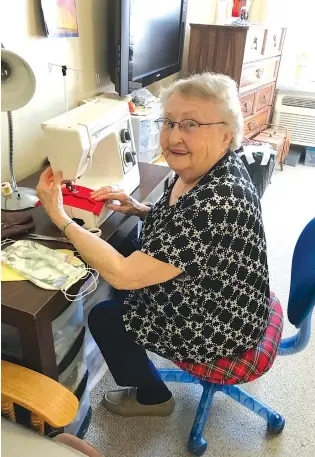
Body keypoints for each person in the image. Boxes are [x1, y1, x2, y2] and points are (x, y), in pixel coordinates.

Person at [36, 72, 270, 418]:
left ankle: (153, 396)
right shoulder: (204, 167)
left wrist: (61, 218)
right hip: (229, 293)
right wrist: (138, 208)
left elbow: (123, 275)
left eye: (191, 124)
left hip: (222, 324)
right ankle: (137, 339)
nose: (174, 136)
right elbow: (184, 227)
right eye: (169, 122)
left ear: (226, 134)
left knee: (105, 315)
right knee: (129, 246)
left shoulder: (218, 202)